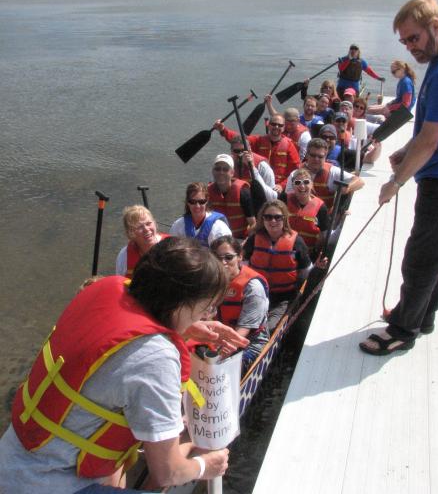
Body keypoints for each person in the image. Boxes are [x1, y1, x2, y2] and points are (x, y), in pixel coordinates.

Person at [0, 238, 251, 493]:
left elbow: (126, 330)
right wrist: (206, 465)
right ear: (180, 303)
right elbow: (168, 472)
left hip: (11, 461)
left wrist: (188, 326)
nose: (207, 314)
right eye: (205, 307)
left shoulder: (108, 288)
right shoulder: (157, 357)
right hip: (50, 484)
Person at [360, 0, 438, 356]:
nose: (410, 47)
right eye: (404, 42)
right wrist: (405, 151)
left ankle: (403, 329)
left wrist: (394, 183)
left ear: (435, 26)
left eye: (414, 38)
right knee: (437, 253)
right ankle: (422, 317)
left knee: (420, 257)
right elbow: (432, 131)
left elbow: (430, 141)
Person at [243, 200, 314, 331]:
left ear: (284, 219)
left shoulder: (297, 242)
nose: (273, 221)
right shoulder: (253, 240)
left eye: (277, 217)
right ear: (262, 219)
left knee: (269, 328)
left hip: (283, 298)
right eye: (268, 217)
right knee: (248, 325)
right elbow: (244, 267)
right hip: (257, 294)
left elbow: (306, 271)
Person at [211, 236, 270, 373]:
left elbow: (245, 328)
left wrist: (223, 352)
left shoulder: (253, 287)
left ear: (240, 257)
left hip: (250, 340)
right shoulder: (209, 281)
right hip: (219, 336)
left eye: (228, 257)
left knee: (229, 370)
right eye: (217, 258)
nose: (223, 262)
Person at [214, 114, 300, 193]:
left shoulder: (289, 145)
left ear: (284, 128)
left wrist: (282, 185)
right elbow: (240, 140)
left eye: (280, 125)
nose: (276, 127)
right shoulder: (258, 140)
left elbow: (295, 171)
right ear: (268, 125)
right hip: (260, 184)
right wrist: (223, 130)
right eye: (273, 124)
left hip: (278, 188)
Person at [286, 138, 365, 210]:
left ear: (325, 157)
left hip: (324, 216)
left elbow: (359, 181)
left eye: (320, 157)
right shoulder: (294, 174)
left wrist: (347, 187)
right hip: (300, 214)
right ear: (307, 155)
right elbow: (289, 198)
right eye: (313, 155)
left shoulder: (332, 171)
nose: (316, 159)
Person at [281, 168, 329, 261]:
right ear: (293, 185)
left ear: (312, 184)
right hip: (284, 251)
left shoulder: (321, 207)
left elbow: (324, 235)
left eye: (306, 182)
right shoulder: (284, 199)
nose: (302, 186)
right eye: (297, 182)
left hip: (307, 256)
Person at [207, 154, 256, 239]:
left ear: (232, 173)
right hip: (216, 239)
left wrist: (247, 241)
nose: (221, 172)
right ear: (213, 171)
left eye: (225, 169)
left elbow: (253, 223)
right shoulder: (207, 192)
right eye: (217, 169)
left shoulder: (243, 192)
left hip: (239, 239)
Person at [170, 182, 231, 246]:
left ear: (206, 201)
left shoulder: (219, 228)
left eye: (201, 202)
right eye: (193, 202)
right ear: (187, 202)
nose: (197, 206)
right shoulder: (178, 226)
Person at [115, 205, 169, 277]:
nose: (146, 229)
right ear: (130, 233)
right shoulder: (124, 256)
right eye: (139, 227)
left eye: (148, 223)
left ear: (155, 223)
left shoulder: (172, 246)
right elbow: (120, 281)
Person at [229, 135, 277, 201]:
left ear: (250, 150)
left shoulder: (262, 166)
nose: (240, 154)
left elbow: (272, 197)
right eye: (236, 151)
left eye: (243, 151)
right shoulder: (227, 165)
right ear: (231, 151)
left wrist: (252, 168)